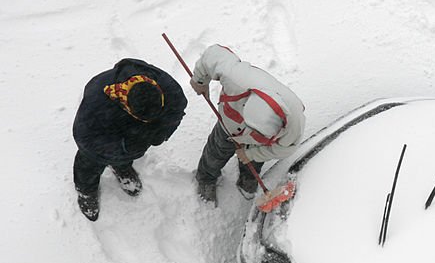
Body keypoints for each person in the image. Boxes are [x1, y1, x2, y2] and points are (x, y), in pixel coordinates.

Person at [73, 58, 187, 221]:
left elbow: (176, 111)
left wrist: (161, 134)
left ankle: (121, 166)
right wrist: (126, 147)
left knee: (125, 158)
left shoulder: (167, 87)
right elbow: (86, 141)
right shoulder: (97, 100)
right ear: (128, 107)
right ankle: (86, 190)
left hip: (131, 138)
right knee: (88, 166)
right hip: (101, 142)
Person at [190, 44, 305, 205]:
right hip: (229, 125)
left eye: (258, 135)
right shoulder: (237, 79)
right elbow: (214, 55)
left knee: (255, 158)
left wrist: (252, 154)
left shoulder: (294, 123)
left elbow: (283, 149)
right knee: (216, 152)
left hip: (258, 145)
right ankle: (206, 178)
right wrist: (200, 80)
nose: (248, 137)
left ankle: (248, 177)